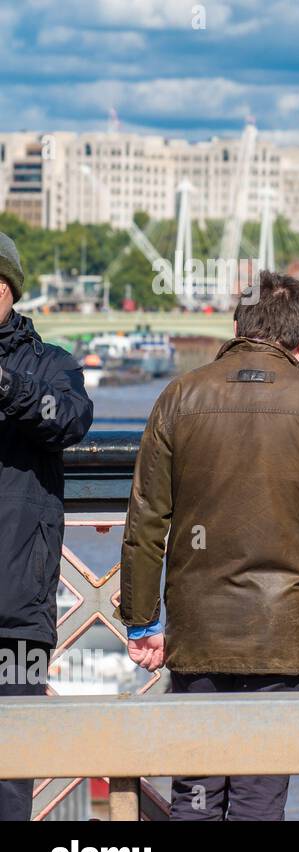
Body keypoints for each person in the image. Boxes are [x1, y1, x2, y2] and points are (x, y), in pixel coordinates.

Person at [119, 271, 299, 821]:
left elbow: (146, 522)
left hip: (199, 633)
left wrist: (142, 623)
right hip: (286, 635)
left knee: (195, 792)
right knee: (261, 799)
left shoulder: (180, 395)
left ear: (236, 325)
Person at [0, 231, 94, 821]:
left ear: (8, 289)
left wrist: (9, 386)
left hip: (19, 612)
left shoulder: (52, 364)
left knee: (12, 768)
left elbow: (71, 420)